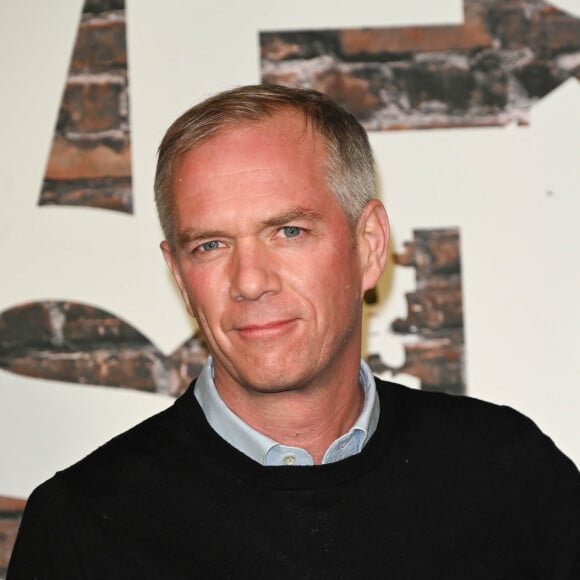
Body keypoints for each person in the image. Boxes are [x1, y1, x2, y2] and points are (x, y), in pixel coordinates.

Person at [8, 85, 580, 578]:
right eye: (210, 245)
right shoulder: (80, 527)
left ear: (369, 245)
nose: (250, 281)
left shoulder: (510, 478)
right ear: (180, 277)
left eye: (288, 231)